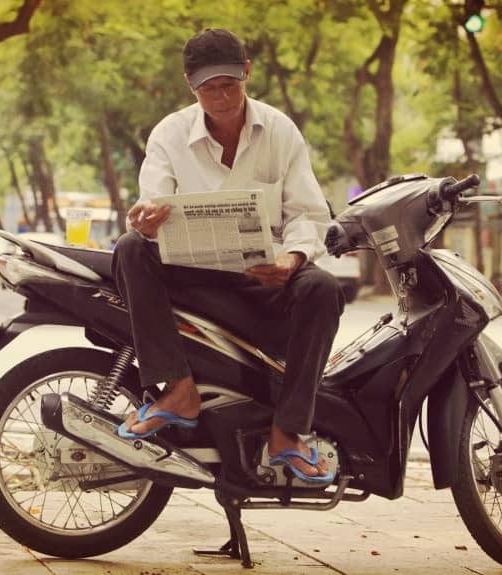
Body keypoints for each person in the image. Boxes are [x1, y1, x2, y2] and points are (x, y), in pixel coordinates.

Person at [113, 28, 344, 483]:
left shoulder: (280, 132)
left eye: (229, 85)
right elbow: (151, 198)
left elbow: (308, 213)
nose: (220, 97)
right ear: (190, 85)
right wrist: (146, 216)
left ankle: (288, 431)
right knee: (130, 248)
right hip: (191, 281)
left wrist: (291, 260)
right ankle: (178, 391)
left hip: (262, 281)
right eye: (208, 88)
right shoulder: (169, 134)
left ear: (248, 74)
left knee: (323, 288)